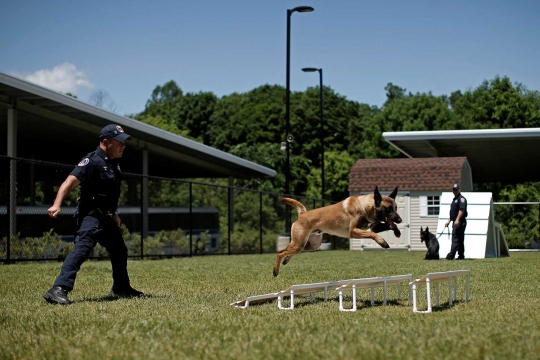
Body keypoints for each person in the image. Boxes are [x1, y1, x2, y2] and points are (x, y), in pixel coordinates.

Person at [43, 124, 143, 304]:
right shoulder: (92, 161)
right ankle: (58, 289)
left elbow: (109, 193)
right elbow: (69, 182)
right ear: (106, 142)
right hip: (91, 215)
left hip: (106, 217)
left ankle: (121, 287)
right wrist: (56, 204)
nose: (123, 146)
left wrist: (114, 213)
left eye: (124, 142)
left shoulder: (113, 164)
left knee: (119, 250)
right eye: (119, 142)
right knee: (82, 249)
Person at [445, 183, 468, 260]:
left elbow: (461, 210)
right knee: (460, 239)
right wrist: (449, 221)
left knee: (455, 238)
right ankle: (461, 256)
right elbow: (453, 212)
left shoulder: (461, 199)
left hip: (460, 222)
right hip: (455, 221)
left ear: (459, 189)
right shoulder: (455, 199)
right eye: (453, 189)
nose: (454, 191)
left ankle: (450, 256)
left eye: (456, 189)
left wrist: (457, 220)